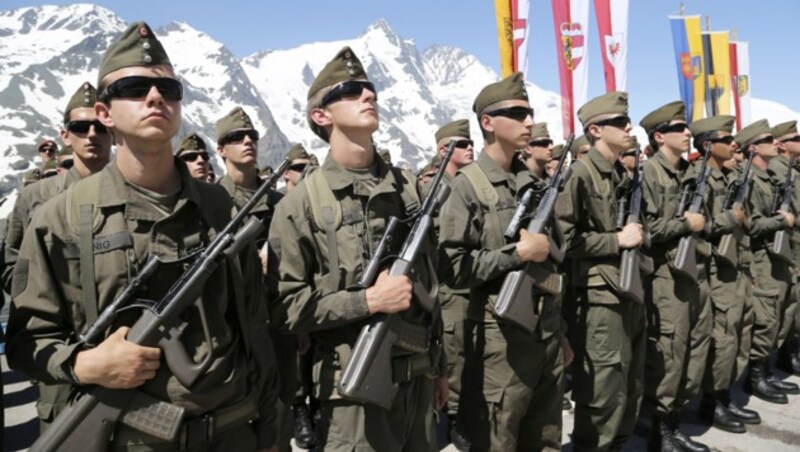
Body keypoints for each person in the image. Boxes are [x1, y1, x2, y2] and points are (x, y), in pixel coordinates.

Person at [6, 22, 280, 450]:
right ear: (104, 113)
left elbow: (253, 329)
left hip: (232, 434)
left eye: (169, 90)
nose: (156, 98)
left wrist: (271, 435)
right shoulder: (58, 219)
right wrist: (85, 364)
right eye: (135, 87)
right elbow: (27, 342)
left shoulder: (221, 208)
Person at [269, 46, 445, 451]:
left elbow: (430, 289)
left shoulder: (407, 189)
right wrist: (367, 300)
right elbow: (285, 307)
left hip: (416, 379)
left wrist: (439, 369)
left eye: (370, 89)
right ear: (321, 115)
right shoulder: (301, 204)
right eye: (351, 90)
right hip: (353, 394)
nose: (369, 96)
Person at [440, 72, 567, 452]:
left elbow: (555, 258)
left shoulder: (532, 181)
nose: (529, 122)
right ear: (488, 123)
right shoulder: (468, 186)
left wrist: (561, 334)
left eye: (530, 113)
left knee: (545, 438)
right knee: (498, 440)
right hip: (501, 342)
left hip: (545, 333)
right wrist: (516, 254)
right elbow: (453, 269)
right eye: (517, 113)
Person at [3, 80, 113, 431]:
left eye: (99, 126)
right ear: (66, 135)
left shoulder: (135, 195)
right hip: (62, 355)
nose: (91, 134)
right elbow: (11, 264)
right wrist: (44, 291)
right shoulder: (37, 198)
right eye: (81, 127)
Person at [556, 92, 646, 451]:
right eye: (620, 122)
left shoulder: (619, 175)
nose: (628, 128)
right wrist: (615, 241)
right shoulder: (580, 174)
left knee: (629, 388)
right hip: (597, 302)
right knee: (602, 395)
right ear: (595, 130)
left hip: (626, 290)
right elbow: (561, 242)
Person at [640, 101, 710, 452]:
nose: (687, 133)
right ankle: (660, 431)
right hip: (665, 276)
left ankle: (674, 419)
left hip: (692, 270)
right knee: (669, 353)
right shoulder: (649, 173)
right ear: (659, 136)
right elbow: (646, 229)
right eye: (679, 128)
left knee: (694, 350)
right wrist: (686, 224)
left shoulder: (691, 171)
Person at [690, 116, 760, 434]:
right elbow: (698, 224)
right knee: (724, 338)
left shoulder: (730, 175)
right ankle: (712, 401)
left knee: (741, 332)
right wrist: (730, 217)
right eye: (726, 138)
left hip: (738, 265)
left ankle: (725, 394)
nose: (733, 143)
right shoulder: (699, 178)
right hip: (718, 269)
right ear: (707, 146)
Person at [736, 119, 798, 404]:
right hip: (761, 257)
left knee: (781, 313)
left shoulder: (774, 176)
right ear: (754, 148)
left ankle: (767, 369)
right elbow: (751, 224)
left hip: (780, 253)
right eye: (768, 140)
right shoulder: (749, 179)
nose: (776, 143)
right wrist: (779, 220)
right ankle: (755, 376)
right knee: (766, 317)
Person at [429, 119, 474, 450]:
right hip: (445, 284)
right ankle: (455, 416)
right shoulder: (434, 187)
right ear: (444, 150)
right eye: (461, 144)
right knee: (454, 352)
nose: (470, 147)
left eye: (470, 142)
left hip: (470, 280)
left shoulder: (470, 185)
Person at [771, 120, 800, 377]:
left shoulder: (792, 169)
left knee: (794, 305)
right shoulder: (778, 171)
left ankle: (788, 353)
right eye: (796, 138)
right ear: (780, 144)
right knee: (787, 304)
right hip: (788, 246)